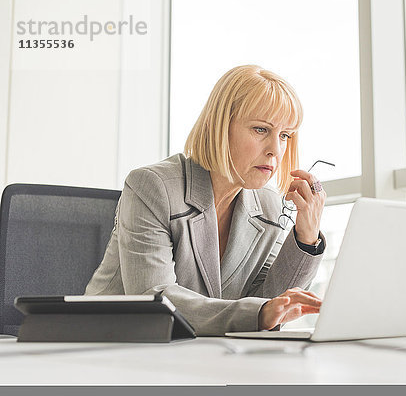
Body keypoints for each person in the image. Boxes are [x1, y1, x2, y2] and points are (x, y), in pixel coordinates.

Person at [85, 65, 327, 336]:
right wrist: (257, 313)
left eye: (284, 135)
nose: (275, 150)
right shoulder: (153, 187)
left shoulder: (268, 206)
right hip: (111, 346)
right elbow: (155, 298)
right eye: (261, 130)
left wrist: (306, 239)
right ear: (220, 127)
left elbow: (269, 305)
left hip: (194, 353)